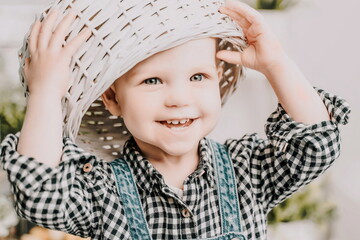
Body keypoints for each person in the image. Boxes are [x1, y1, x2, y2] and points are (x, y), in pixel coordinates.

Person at [0, 0, 351, 239]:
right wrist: (47, 91)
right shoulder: (101, 191)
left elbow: (314, 145)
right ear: (112, 99)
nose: (180, 99)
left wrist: (276, 64)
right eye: (152, 80)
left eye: (198, 77)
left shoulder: (247, 170)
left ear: (217, 79)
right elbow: (40, 191)